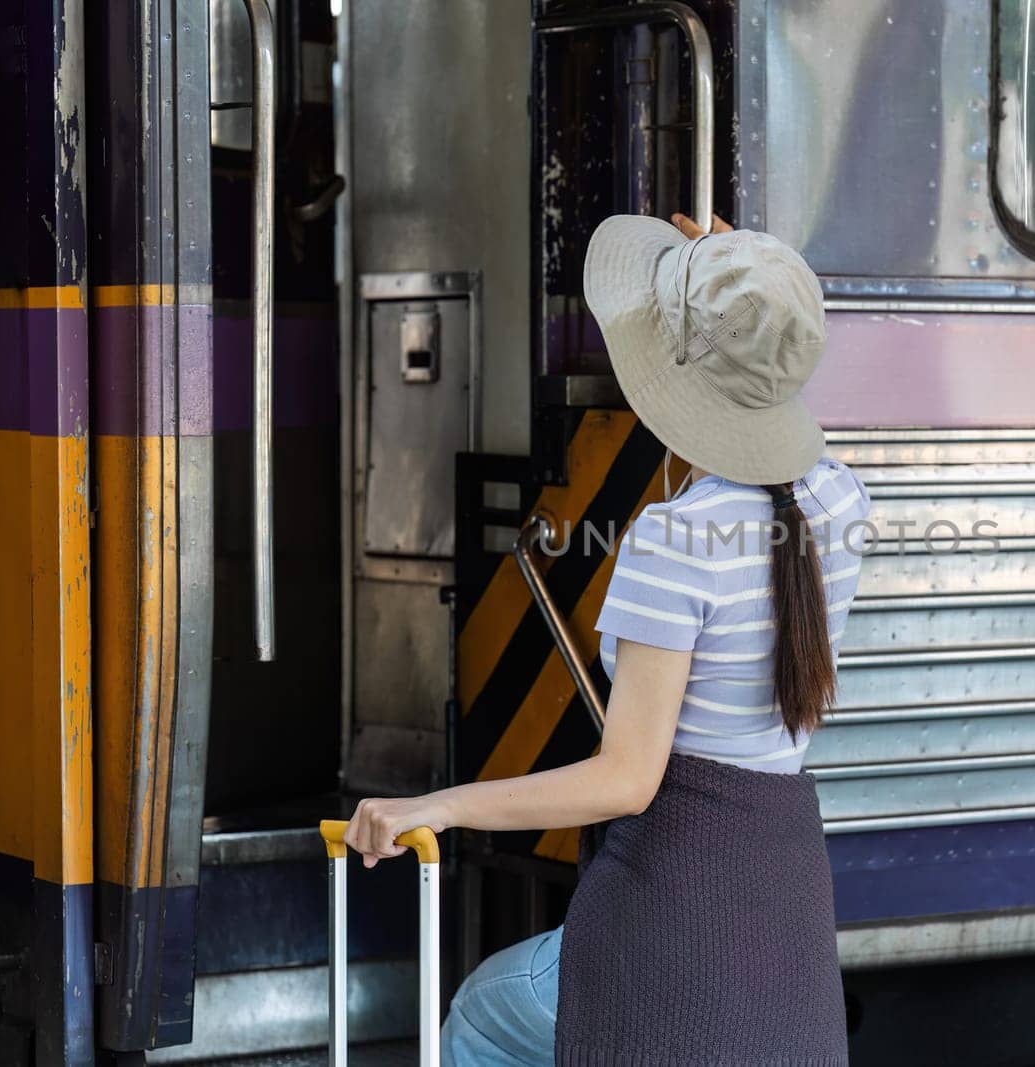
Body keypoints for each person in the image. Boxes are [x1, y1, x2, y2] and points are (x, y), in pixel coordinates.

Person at [341, 209, 870, 1065]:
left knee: (482, 1013)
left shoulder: (676, 540)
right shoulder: (839, 504)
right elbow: (778, 389)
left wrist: (439, 804)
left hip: (674, 924)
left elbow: (627, 779)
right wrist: (747, 298)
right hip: (783, 910)